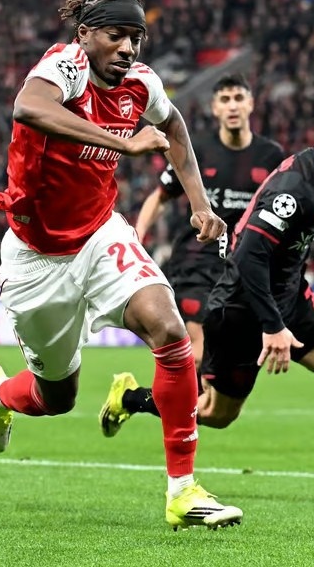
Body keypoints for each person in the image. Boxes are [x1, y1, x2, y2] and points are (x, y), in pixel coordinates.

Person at [0, 0, 241, 530]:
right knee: (56, 397)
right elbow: (28, 107)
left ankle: (183, 491)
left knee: (169, 328)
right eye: (116, 35)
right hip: (36, 257)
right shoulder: (65, 68)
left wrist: (200, 204)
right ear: (85, 36)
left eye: (136, 38)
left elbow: (174, 127)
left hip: (100, 234)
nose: (128, 48)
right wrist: (121, 142)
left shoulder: (142, 84)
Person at [103, 89, 314, 503]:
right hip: (241, 308)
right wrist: (272, 327)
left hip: (291, 297)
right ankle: (130, 398)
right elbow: (247, 256)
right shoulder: (294, 188)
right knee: (215, 413)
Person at [100, 75, 283, 421]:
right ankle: (173, 435)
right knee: (196, 353)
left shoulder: (271, 155)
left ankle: (132, 398)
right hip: (194, 264)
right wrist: (136, 236)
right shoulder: (196, 148)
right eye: (225, 99)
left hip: (239, 273)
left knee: (215, 410)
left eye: (238, 98)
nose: (232, 105)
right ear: (215, 108)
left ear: (250, 104)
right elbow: (160, 196)